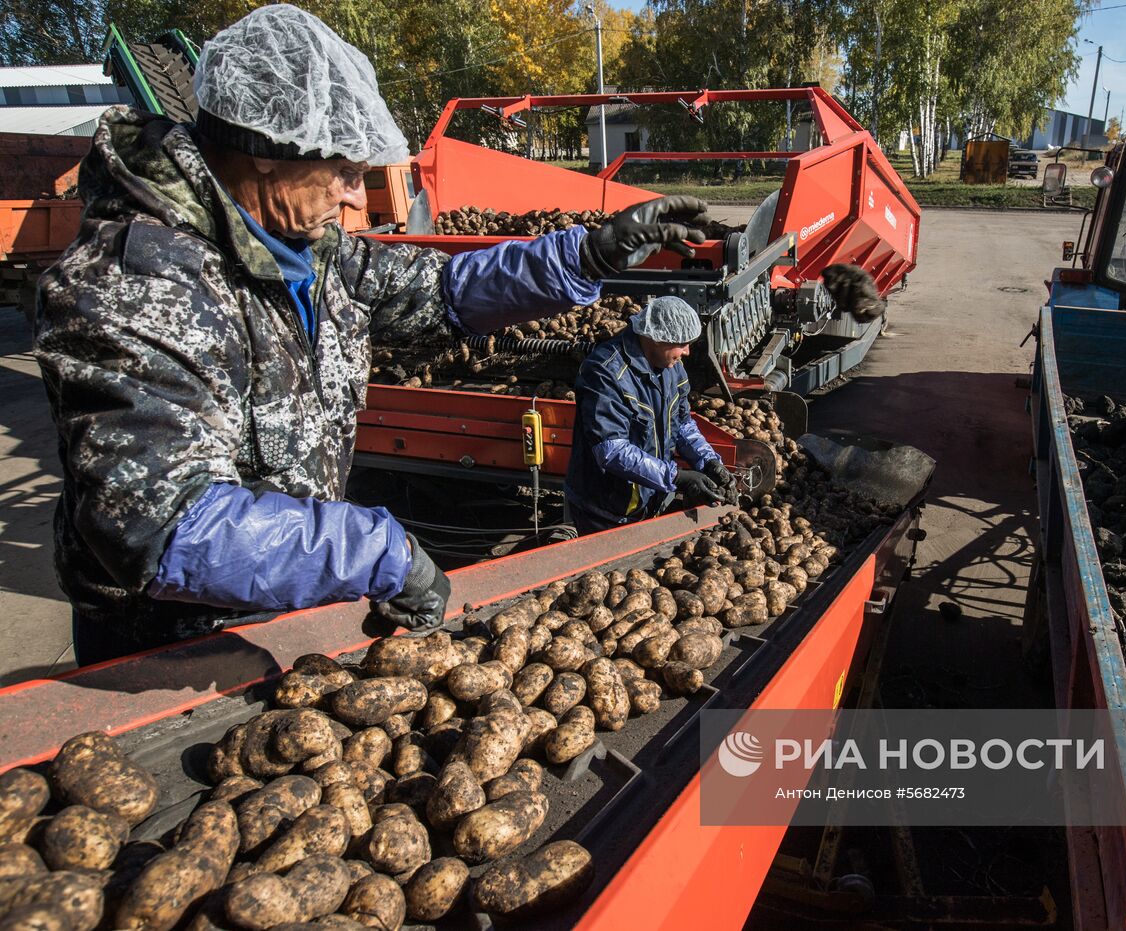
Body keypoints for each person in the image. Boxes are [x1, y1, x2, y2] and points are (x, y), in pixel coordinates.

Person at [33, 4, 708, 663]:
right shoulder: (135, 282)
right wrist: (375, 550)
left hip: (284, 616)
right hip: (168, 649)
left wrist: (583, 257)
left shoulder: (306, 248)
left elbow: (440, 291)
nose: (360, 199)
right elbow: (164, 524)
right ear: (268, 155)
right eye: (347, 173)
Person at [565, 296, 739, 534]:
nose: (687, 352)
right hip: (606, 510)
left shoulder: (671, 366)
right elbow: (612, 450)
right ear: (656, 338)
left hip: (651, 500)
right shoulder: (605, 373)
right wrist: (677, 477)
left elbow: (682, 423)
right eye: (682, 343)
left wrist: (708, 462)